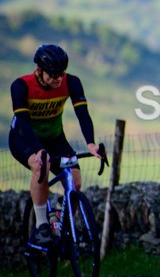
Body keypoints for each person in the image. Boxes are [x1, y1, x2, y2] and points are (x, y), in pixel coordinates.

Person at [9, 44, 102, 245]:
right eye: (53, 74)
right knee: (40, 166)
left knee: (75, 182)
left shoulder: (72, 83)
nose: (58, 79)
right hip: (24, 138)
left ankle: (59, 220)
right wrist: (39, 150)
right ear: (39, 71)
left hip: (55, 138)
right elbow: (23, 123)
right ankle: (42, 225)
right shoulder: (21, 86)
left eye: (61, 73)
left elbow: (83, 115)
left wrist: (91, 144)